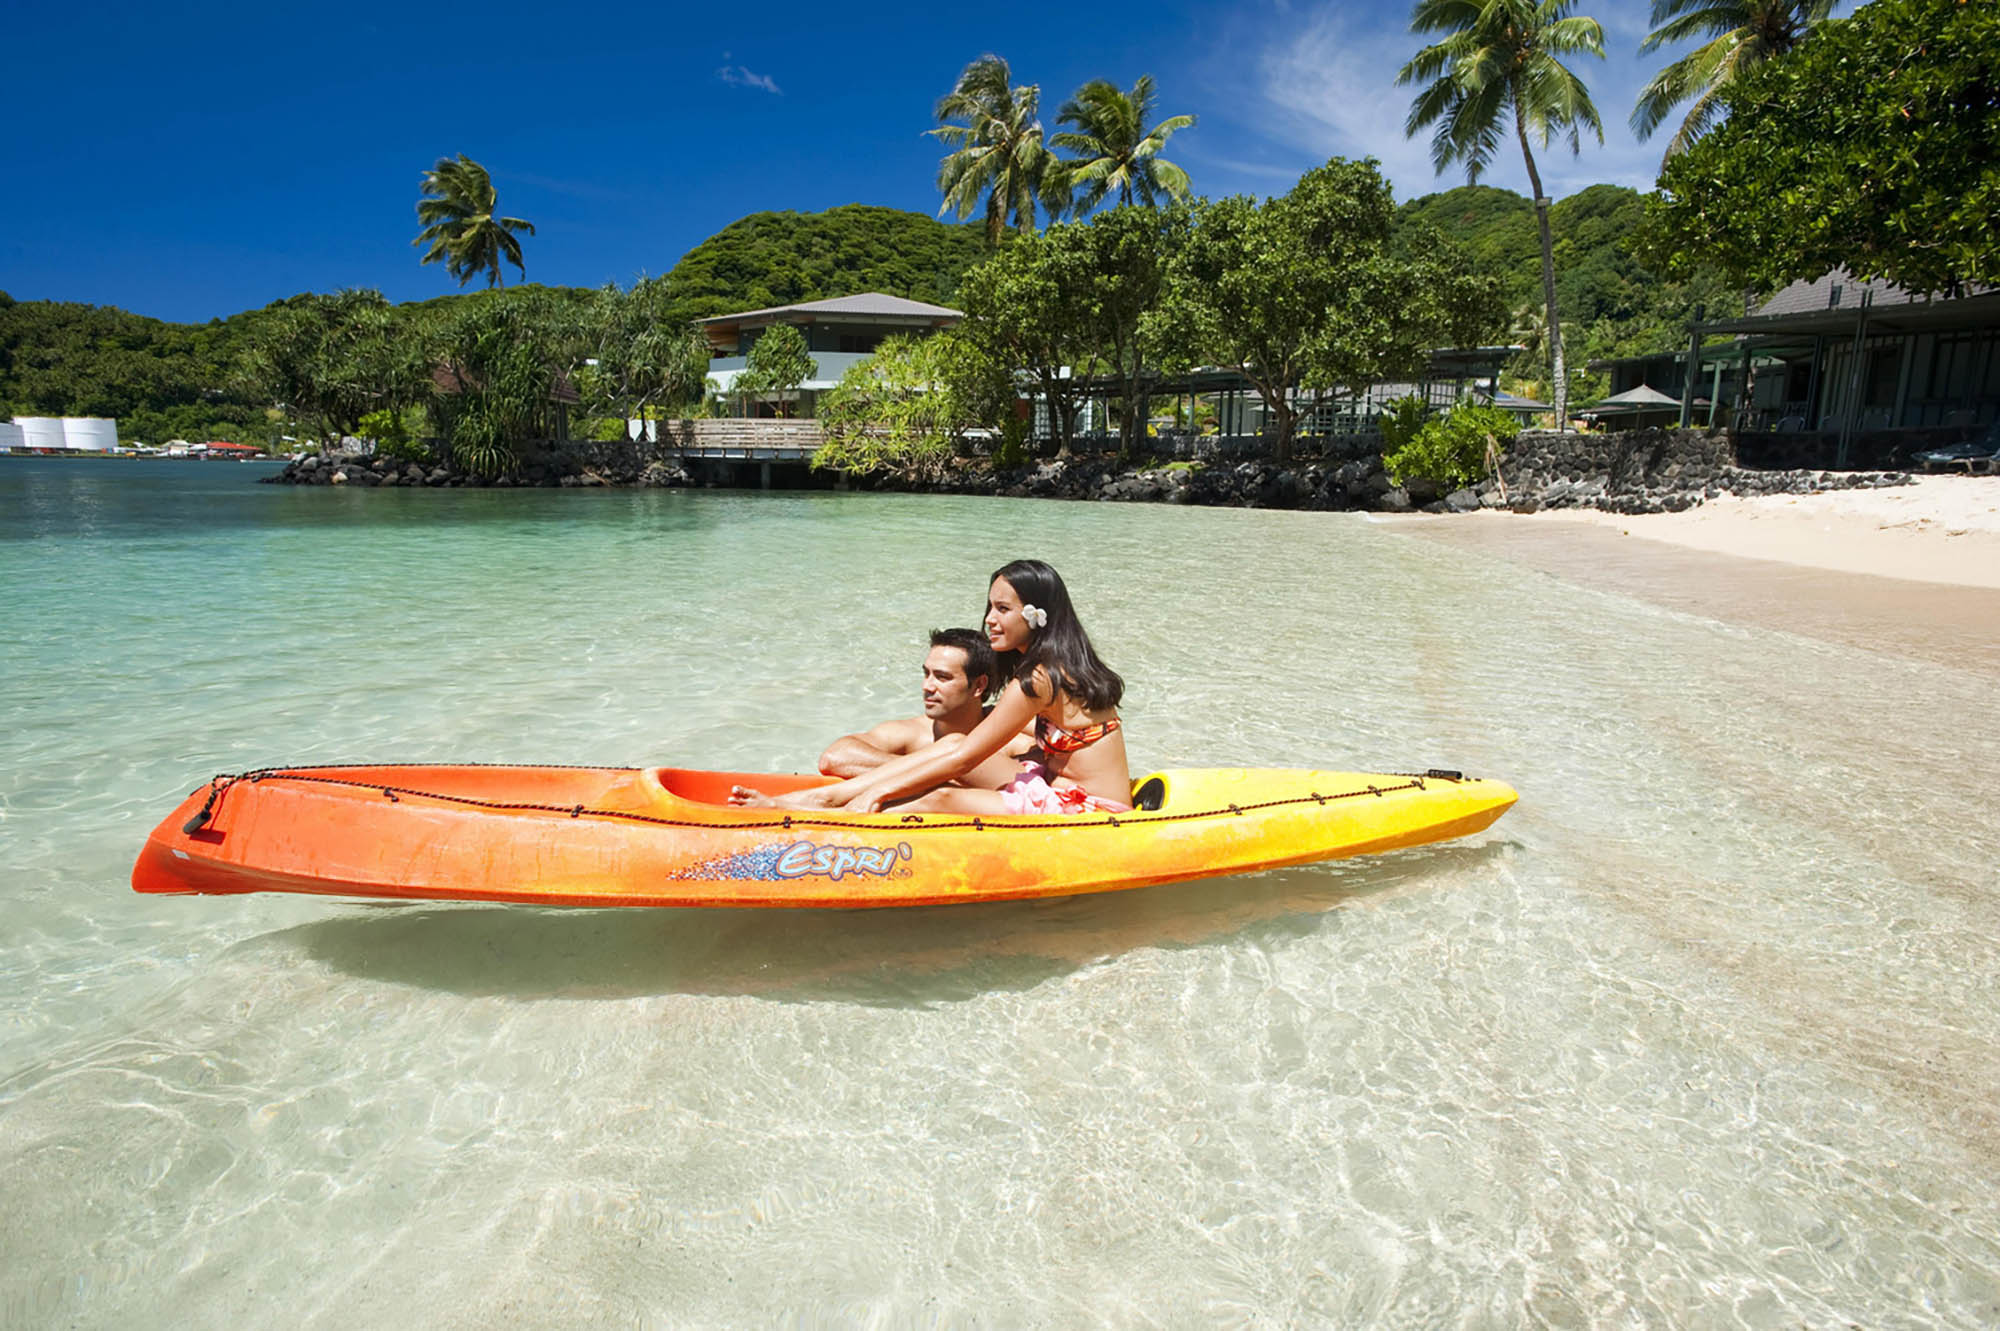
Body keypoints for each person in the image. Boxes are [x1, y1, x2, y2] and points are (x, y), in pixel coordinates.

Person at [732, 560, 1131, 815]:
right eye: (990, 606)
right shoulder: (1056, 669)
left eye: (1003, 609)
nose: (989, 620)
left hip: (1092, 812)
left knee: (940, 794)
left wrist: (879, 792)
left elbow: (965, 761)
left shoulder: (1038, 680)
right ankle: (824, 798)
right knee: (953, 742)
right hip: (1055, 789)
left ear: (1036, 616)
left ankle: (827, 811)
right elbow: (968, 749)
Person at [815, 628, 1028, 790]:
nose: (927, 686)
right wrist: (939, 772)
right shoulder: (911, 733)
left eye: (942, 677)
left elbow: (1038, 790)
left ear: (979, 685)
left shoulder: (1010, 740)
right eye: (927, 674)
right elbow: (835, 757)